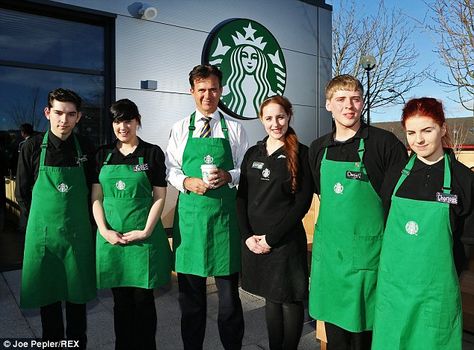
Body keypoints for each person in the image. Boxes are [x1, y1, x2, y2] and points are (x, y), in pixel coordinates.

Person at [307, 74, 408, 350]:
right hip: (330, 263)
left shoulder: (384, 144)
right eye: (340, 99)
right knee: (336, 338)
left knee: (366, 339)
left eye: (355, 99)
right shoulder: (318, 149)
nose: (348, 106)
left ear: (362, 103)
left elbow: (398, 205)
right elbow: (317, 193)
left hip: (368, 260)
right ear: (328, 105)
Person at [372, 97, 474, 349]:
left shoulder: (463, 179)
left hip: (436, 293)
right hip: (393, 289)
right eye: (411, 132)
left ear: (443, 129)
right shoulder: (395, 175)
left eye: (427, 130)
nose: (419, 140)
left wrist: (444, 276)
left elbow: (468, 240)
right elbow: (385, 221)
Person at [165, 64, 248, 350]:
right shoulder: (179, 128)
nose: (207, 95)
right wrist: (187, 181)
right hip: (191, 225)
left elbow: (243, 170)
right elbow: (170, 169)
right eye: (201, 90)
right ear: (192, 92)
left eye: (213, 89)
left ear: (221, 90)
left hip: (224, 224)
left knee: (228, 304)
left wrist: (228, 176)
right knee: (191, 304)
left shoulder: (235, 129)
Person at [16, 88, 96, 349]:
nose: (64, 120)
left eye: (71, 114)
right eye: (59, 113)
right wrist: (38, 228)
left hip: (77, 236)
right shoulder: (31, 147)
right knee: (48, 301)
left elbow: (93, 193)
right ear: (48, 113)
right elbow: (23, 194)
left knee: (77, 302)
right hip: (44, 238)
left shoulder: (85, 147)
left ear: (79, 117)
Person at [92, 99, 172, 350]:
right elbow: (96, 197)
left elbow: (160, 196)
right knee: (121, 303)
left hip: (143, 240)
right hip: (113, 240)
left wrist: (147, 230)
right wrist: (104, 230)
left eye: (127, 120)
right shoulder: (102, 154)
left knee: (144, 301)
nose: (122, 126)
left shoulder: (152, 153)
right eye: (117, 121)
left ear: (138, 121)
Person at [236, 95, 314, 349]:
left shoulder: (302, 154)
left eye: (280, 116)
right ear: (261, 120)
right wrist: (247, 236)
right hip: (255, 242)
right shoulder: (253, 153)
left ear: (289, 116)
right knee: (270, 298)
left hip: (285, 242)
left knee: (289, 299)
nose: (275, 123)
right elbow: (242, 198)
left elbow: (301, 203)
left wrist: (271, 238)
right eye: (269, 118)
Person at [17, 123, 35, 233]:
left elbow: (21, 170)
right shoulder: (38, 144)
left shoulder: (24, 145)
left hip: (28, 187)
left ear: (23, 133)